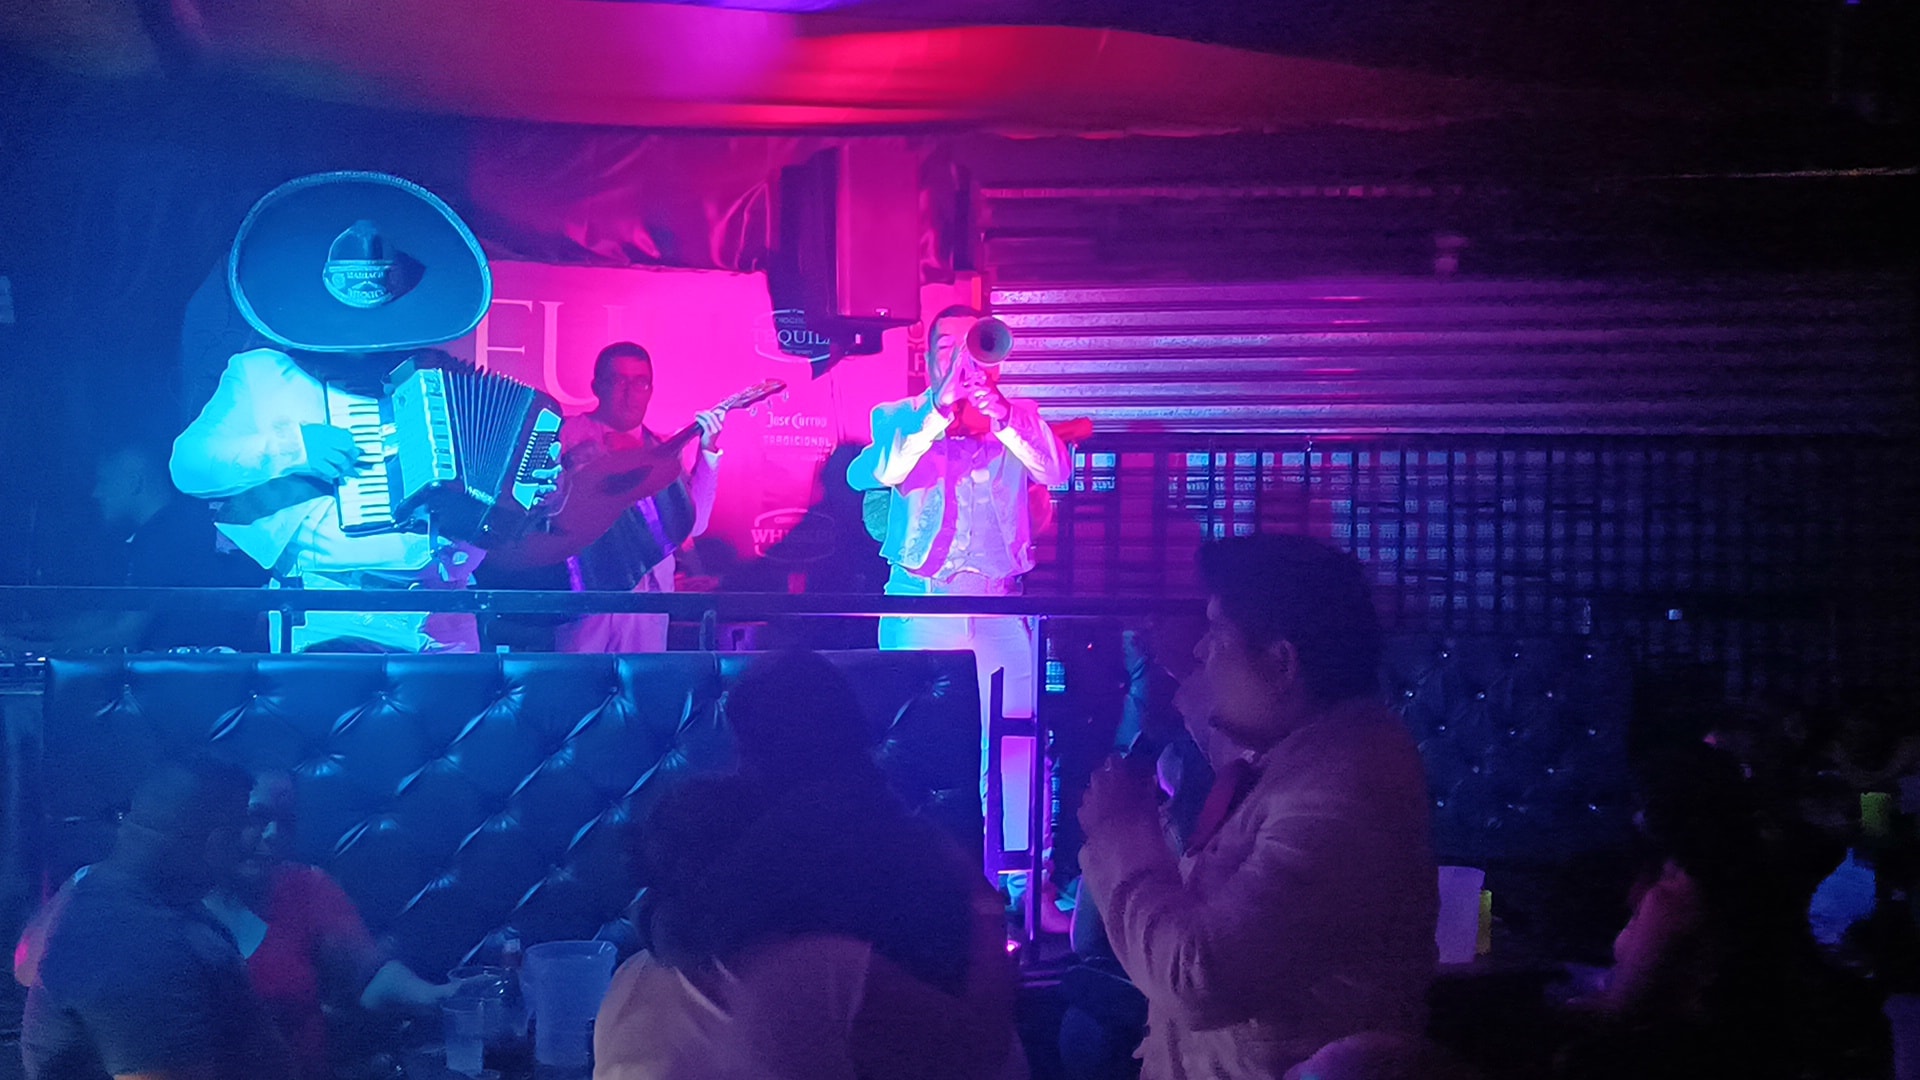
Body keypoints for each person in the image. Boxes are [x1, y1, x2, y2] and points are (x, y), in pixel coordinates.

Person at [1076, 533, 1438, 1079]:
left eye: (1217, 632)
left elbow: (1202, 980)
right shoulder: (1298, 757)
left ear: (1282, 661)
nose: (1202, 652)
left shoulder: (1345, 790)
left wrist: (1121, 833)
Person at [597, 650, 1024, 1080]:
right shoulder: (822, 958)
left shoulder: (629, 981)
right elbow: (982, 1052)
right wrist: (986, 906)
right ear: (854, 737)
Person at [169, 172, 495, 653]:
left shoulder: (440, 377)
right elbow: (188, 467)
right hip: (328, 611)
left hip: (444, 617)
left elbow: (491, 497)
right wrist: (293, 449)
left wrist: (535, 500)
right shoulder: (263, 372)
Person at [845, 309, 1070, 844]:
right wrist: (937, 409)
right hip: (920, 603)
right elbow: (887, 470)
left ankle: (1021, 878)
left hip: (999, 606)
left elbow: (1056, 471)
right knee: (912, 746)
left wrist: (1003, 416)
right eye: (948, 346)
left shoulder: (1019, 415)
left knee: (1018, 743)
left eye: (974, 344)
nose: (963, 357)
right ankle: (909, 871)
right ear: (927, 359)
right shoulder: (896, 415)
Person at [20, 759, 295, 1080]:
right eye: (243, 828)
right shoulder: (140, 947)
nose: (249, 845)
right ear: (215, 841)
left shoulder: (121, 900)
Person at [201, 773, 463, 1080]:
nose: (273, 833)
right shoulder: (172, 904)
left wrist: (435, 996)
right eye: (257, 816)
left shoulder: (304, 886)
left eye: (287, 822)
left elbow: (368, 978)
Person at [0, 440, 265, 653]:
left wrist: (28, 650)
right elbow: (111, 617)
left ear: (135, 482)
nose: (96, 493)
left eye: (103, 480)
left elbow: (124, 633)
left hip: (184, 682)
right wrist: (26, 631)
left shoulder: (167, 535)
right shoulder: (164, 530)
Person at [549, 341, 723, 653]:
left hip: (647, 602)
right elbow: (540, 517)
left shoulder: (663, 451)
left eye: (640, 383)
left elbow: (694, 524)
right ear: (597, 386)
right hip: (585, 595)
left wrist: (708, 451)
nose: (630, 393)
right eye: (619, 381)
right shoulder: (565, 436)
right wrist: (574, 470)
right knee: (578, 680)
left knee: (641, 682)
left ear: (651, 390)